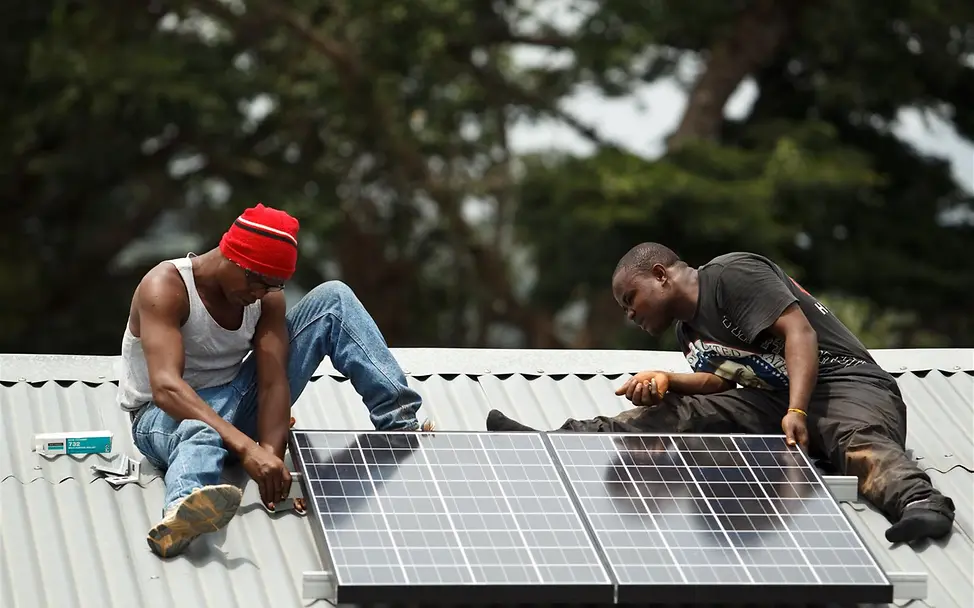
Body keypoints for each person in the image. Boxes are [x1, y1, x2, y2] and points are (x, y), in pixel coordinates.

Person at [487, 243, 955, 544]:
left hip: (845, 383)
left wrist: (797, 408)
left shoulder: (732, 275)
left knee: (854, 440)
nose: (629, 314)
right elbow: (722, 382)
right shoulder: (687, 332)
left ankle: (921, 504)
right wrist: (667, 380)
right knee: (680, 412)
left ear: (661, 275)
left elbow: (800, 334)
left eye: (630, 299)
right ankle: (556, 443)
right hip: (771, 395)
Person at [117, 203, 433, 558]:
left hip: (235, 403)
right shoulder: (166, 287)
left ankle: (401, 426)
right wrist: (248, 449)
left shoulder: (265, 297)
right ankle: (180, 514)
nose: (260, 294)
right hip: (163, 417)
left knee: (334, 299)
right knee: (199, 429)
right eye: (257, 282)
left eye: (273, 286)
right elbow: (166, 389)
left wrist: (271, 458)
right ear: (232, 256)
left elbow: (272, 382)